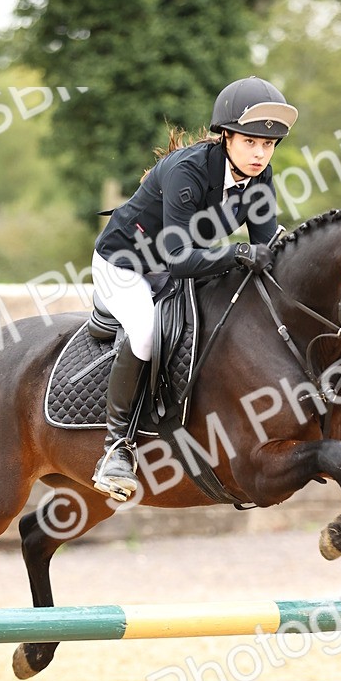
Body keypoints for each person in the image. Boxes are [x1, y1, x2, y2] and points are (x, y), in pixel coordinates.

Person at [90, 75, 298, 501]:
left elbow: (267, 245)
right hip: (125, 265)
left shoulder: (259, 176)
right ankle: (116, 449)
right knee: (146, 332)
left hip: (176, 267)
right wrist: (238, 251)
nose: (260, 154)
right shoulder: (188, 171)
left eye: (268, 145)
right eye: (250, 142)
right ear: (226, 136)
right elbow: (181, 258)